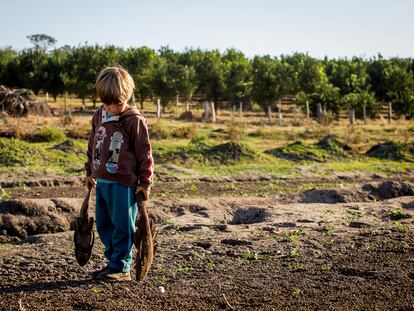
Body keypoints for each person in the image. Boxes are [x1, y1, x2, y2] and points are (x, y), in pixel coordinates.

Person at [85, 66, 154, 281]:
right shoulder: (99, 115)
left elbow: (145, 153)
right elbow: (92, 143)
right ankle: (112, 263)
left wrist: (145, 182)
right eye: (107, 103)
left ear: (127, 96)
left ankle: (121, 267)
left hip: (124, 183)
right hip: (102, 179)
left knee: (123, 225)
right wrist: (89, 170)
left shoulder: (134, 120)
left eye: (117, 103)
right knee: (104, 224)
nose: (112, 108)